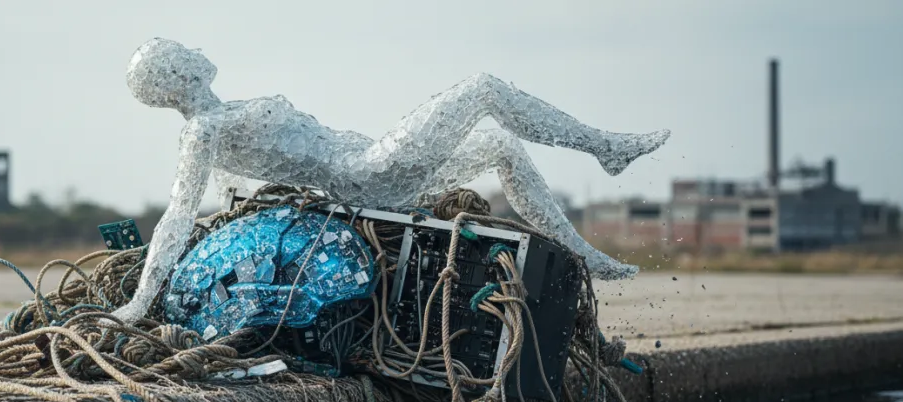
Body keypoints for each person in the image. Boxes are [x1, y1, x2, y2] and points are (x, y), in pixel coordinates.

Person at [111, 37, 669, 324]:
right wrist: (141, 303)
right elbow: (178, 215)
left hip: (373, 167)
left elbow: (239, 190)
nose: (193, 53)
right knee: (480, 89)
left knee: (499, 144)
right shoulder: (203, 132)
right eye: (178, 56)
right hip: (366, 174)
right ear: (175, 78)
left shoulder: (221, 119)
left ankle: (580, 251)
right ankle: (605, 148)